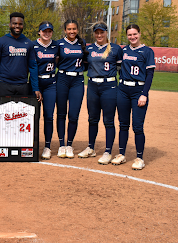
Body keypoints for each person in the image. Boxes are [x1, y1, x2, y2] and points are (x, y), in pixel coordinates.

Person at [111, 24, 155, 170]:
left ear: (139, 33)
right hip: (123, 89)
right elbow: (118, 69)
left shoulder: (147, 51)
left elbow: (149, 75)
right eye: (129, 35)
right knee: (123, 124)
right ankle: (121, 154)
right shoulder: (124, 50)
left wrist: (144, 94)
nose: (132, 37)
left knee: (137, 126)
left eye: (135, 34)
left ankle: (139, 158)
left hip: (138, 90)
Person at [77, 22, 123, 164]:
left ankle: (108, 151)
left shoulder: (115, 49)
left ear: (106, 33)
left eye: (102, 32)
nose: (99, 35)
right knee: (92, 118)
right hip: (92, 86)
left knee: (108, 120)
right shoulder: (89, 49)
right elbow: (84, 65)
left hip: (109, 86)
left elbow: (121, 71)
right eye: (97, 32)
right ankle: (91, 148)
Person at [0, 12, 41, 103]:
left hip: (23, 85)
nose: (17, 26)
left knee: (22, 115)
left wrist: (35, 88)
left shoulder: (28, 43)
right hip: (4, 85)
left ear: (23, 25)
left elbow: (33, 67)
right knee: (4, 115)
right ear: (10, 24)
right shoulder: (0, 42)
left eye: (20, 24)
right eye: (15, 23)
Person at [55, 20, 88, 159]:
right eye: (69, 29)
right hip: (62, 78)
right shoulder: (59, 44)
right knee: (61, 114)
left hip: (77, 81)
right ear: (65, 30)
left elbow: (86, 62)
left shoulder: (82, 43)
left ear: (78, 29)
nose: (72, 31)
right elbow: (54, 61)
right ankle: (61, 145)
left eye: (74, 29)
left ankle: (69, 145)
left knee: (73, 115)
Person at [33, 22, 59, 160]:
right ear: (39, 32)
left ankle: (47, 147)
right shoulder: (33, 46)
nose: (47, 33)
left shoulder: (56, 46)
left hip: (50, 83)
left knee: (48, 116)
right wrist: (35, 87)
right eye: (44, 31)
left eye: (49, 31)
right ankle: (33, 144)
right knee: (34, 116)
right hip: (36, 83)